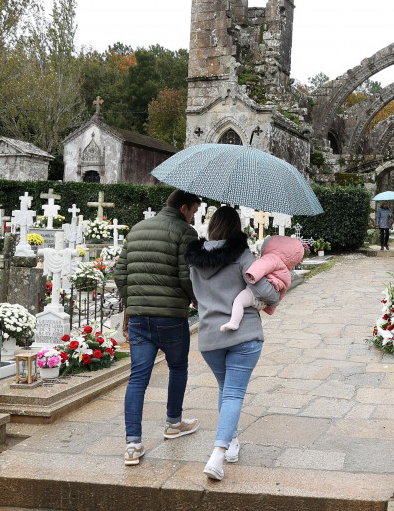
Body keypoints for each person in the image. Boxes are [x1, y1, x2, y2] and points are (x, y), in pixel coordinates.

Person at [185, 206, 279, 481]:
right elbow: (264, 292)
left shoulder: (195, 258)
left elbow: (194, 293)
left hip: (210, 337)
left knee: (226, 390)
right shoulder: (241, 253)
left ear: (212, 226)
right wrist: (276, 288)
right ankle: (218, 453)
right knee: (234, 394)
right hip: (244, 335)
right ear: (236, 228)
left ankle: (232, 442)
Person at [115, 190, 202, 467]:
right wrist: (196, 301)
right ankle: (173, 423)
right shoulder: (185, 232)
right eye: (194, 212)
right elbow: (185, 275)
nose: (194, 217)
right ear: (185, 208)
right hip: (171, 316)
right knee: (178, 368)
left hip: (139, 317)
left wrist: (133, 303)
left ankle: (133, 444)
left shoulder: (137, 229)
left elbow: (119, 273)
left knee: (138, 377)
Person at [222, 235, 305, 330]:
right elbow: (282, 291)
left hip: (254, 293)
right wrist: (271, 307)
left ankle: (234, 322)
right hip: (264, 301)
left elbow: (262, 266)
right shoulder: (286, 271)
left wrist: (252, 274)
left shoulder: (272, 258)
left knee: (238, 302)